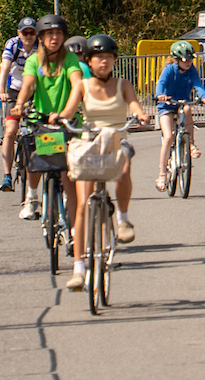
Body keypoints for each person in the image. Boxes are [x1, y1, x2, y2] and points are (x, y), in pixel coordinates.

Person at [56, 34, 154, 290]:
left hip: (116, 140)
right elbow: (70, 109)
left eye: (109, 57)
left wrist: (141, 115)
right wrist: (60, 116)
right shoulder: (83, 86)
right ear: (89, 60)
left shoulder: (123, 84)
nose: (104, 62)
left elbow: (134, 105)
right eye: (99, 57)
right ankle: (78, 269)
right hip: (90, 142)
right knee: (81, 205)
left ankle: (123, 219)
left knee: (124, 165)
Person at [10, 15, 87, 223]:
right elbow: (28, 85)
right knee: (39, 159)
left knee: (67, 171)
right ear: (41, 37)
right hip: (44, 121)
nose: (54, 37)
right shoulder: (34, 60)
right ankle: (31, 198)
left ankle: (71, 221)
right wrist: (19, 104)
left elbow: (77, 84)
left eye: (59, 33)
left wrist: (67, 113)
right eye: (50, 33)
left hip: (67, 122)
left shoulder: (69, 59)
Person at [152, 39, 205, 191]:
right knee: (168, 138)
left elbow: (198, 85)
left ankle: (190, 143)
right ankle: (162, 175)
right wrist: (160, 95)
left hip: (182, 103)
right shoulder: (169, 70)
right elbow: (161, 83)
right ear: (176, 60)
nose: (189, 62)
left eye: (190, 59)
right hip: (166, 105)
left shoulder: (192, 71)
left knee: (187, 109)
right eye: (185, 60)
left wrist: (204, 97)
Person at [0, 16, 38, 192]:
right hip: (14, 91)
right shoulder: (13, 45)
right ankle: (7, 175)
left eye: (32, 32)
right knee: (10, 131)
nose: (28, 36)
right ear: (19, 33)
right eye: (25, 32)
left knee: (39, 131)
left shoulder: (41, 46)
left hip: (35, 92)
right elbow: (5, 68)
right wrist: (1, 91)